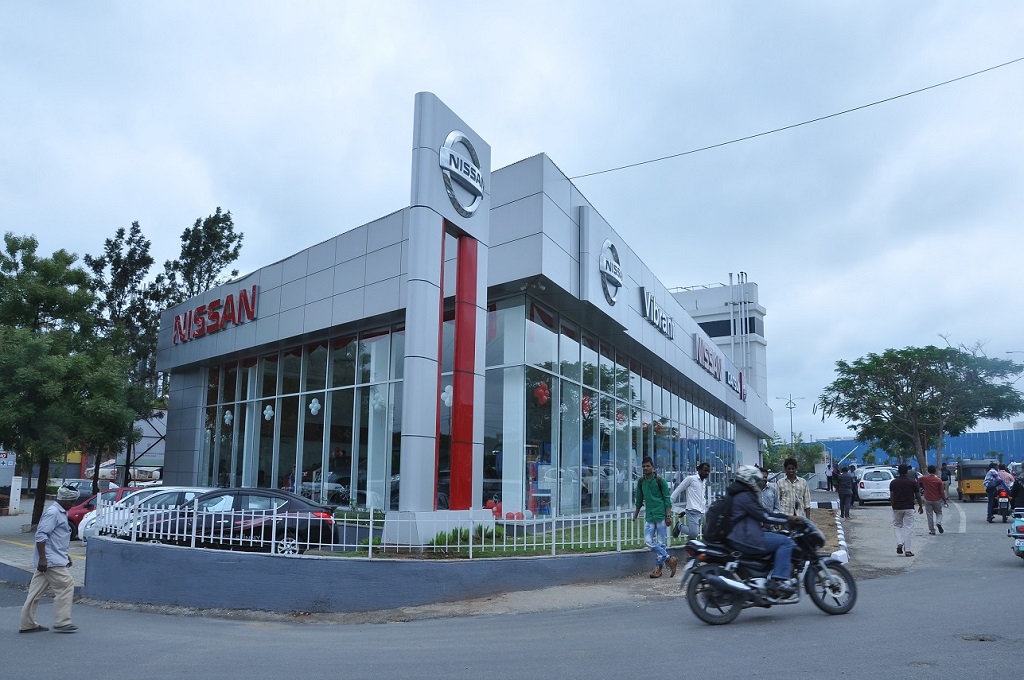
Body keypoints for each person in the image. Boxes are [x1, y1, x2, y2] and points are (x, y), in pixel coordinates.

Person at [726, 465, 803, 597]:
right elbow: (765, 516)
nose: (759, 483)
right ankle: (779, 580)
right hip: (747, 538)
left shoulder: (738, 494)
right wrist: (789, 518)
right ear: (749, 480)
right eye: (756, 480)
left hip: (743, 534)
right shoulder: (744, 496)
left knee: (777, 536)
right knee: (786, 542)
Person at [20, 484, 80, 633]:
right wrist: (43, 558)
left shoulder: (60, 512)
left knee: (34, 593)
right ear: (63, 499)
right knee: (66, 585)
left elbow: (56, 538)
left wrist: (65, 555)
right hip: (50, 561)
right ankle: (63, 622)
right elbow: (41, 535)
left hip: (51, 558)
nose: (73, 504)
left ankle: (27, 624)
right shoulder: (53, 513)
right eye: (71, 501)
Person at [633, 456, 677, 578]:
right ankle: (669, 559)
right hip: (650, 516)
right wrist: (635, 514)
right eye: (643, 466)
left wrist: (668, 516)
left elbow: (667, 499)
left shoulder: (660, 480)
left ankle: (658, 569)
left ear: (653, 467)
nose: (645, 468)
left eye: (648, 466)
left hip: (661, 515)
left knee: (661, 543)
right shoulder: (641, 482)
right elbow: (639, 499)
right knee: (648, 541)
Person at [890, 464, 924, 557]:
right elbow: (918, 495)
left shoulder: (893, 482)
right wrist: (920, 506)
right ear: (907, 472)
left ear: (898, 471)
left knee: (897, 526)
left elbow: (892, 496)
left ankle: (899, 543)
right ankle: (908, 550)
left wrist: (893, 506)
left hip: (897, 507)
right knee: (908, 528)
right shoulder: (912, 482)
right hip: (909, 507)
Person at [670, 461, 709, 539]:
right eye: (705, 470)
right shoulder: (691, 479)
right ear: (699, 470)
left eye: (708, 471)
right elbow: (679, 488)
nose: (707, 473)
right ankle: (679, 526)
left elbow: (701, 496)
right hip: (692, 510)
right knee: (694, 533)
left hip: (701, 511)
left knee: (693, 536)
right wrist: (671, 500)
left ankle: (690, 545)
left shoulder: (704, 482)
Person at [919, 465, 947, 535]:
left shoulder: (924, 478)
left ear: (928, 471)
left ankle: (932, 530)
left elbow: (917, 481)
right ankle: (938, 522)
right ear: (935, 471)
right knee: (939, 513)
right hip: (937, 499)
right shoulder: (938, 480)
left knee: (929, 515)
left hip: (927, 498)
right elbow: (941, 492)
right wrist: (944, 500)